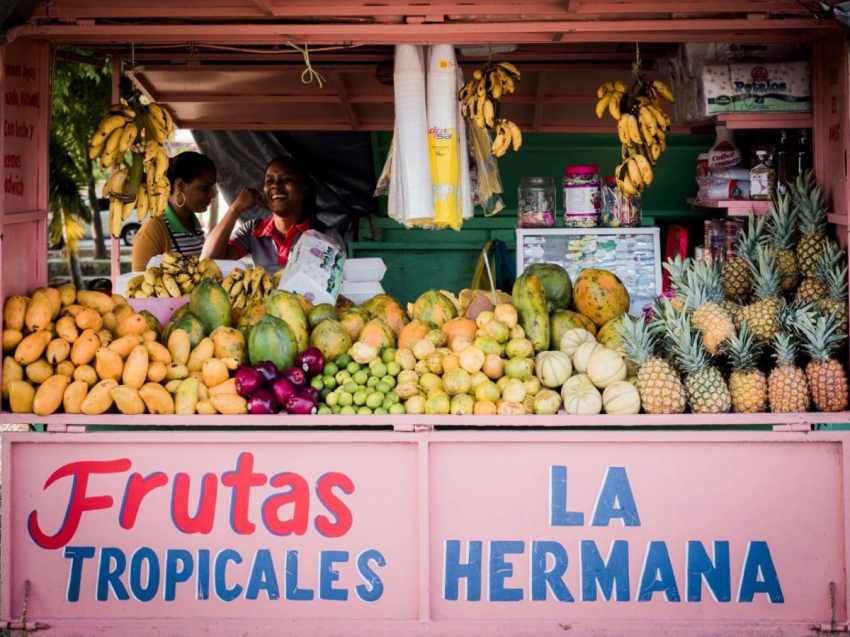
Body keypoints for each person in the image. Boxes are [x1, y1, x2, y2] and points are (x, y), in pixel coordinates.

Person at [202, 156, 334, 272]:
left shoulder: (325, 236)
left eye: (286, 179)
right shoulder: (253, 230)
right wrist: (235, 209)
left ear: (303, 189)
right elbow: (208, 261)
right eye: (269, 181)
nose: (276, 185)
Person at [131, 151, 217, 271]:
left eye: (212, 188)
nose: (212, 194)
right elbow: (139, 284)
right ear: (180, 185)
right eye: (204, 188)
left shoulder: (193, 223)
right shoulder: (152, 231)